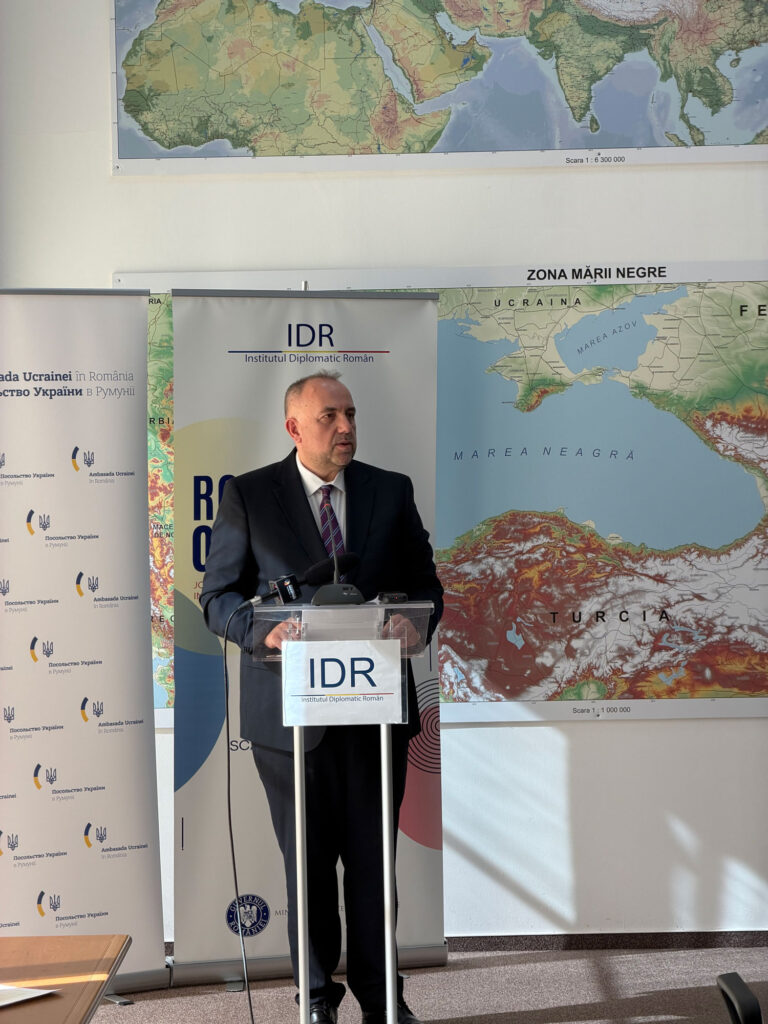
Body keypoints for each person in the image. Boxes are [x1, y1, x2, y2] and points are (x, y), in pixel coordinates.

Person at [201, 371, 443, 1024]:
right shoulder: (250, 496)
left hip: (374, 718)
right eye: (330, 416)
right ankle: (315, 1002)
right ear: (294, 428)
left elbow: (427, 587)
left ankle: (382, 999)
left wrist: (410, 624)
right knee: (307, 870)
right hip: (290, 722)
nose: (346, 427)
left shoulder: (390, 491)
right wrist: (263, 631)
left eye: (351, 414)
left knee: (372, 869)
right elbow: (218, 598)